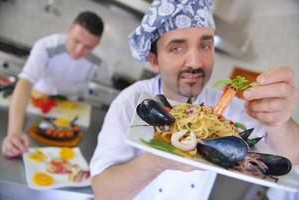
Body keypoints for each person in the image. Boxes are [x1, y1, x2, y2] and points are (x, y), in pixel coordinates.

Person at [90, 1, 299, 199]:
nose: (196, 61)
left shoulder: (227, 106)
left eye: (205, 45)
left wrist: (280, 123)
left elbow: (292, 159)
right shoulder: (130, 102)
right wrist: (158, 160)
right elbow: (104, 194)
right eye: (177, 48)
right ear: (154, 60)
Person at [1, 11, 111, 158]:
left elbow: (105, 86)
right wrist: (14, 132)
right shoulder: (46, 46)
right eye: (76, 41)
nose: (79, 51)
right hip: (37, 106)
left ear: (97, 44)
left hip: (70, 114)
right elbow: (25, 83)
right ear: (70, 29)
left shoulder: (98, 62)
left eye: (88, 47)